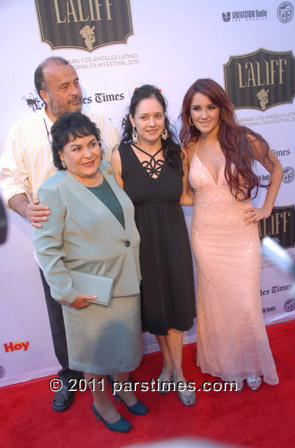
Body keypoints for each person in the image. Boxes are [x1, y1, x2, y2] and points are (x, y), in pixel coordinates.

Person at [0, 56, 120, 411]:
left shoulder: (99, 122)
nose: (75, 91)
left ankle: (113, 370)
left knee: (107, 308)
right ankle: (70, 374)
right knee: (61, 314)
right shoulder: (22, 132)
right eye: (64, 86)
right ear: (43, 94)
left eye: (76, 82)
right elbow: (9, 181)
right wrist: (25, 207)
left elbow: (117, 169)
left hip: (102, 244)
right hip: (55, 247)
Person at [34, 112, 146, 432]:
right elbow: (46, 248)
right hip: (89, 288)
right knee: (95, 357)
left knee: (125, 346)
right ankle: (101, 404)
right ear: (60, 155)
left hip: (125, 279)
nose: (87, 154)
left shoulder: (108, 173)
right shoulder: (53, 189)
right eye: (76, 148)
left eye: (92, 144)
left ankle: (123, 390)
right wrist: (66, 293)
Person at [179, 78, 282, 391]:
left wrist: (265, 208)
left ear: (221, 108)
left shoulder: (243, 138)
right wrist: (213, 199)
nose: (204, 114)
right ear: (189, 114)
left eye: (210, 106)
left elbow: (275, 167)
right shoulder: (188, 149)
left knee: (245, 302)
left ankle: (250, 363)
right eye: (197, 108)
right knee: (217, 304)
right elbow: (184, 196)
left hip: (241, 234)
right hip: (206, 237)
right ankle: (227, 366)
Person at [111, 85, 196, 406]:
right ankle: (169, 366)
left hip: (174, 238)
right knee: (158, 308)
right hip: (141, 245)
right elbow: (116, 208)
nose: (151, 122)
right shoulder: (119, 158)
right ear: (132, 119)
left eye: (157, 115)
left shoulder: (180, 154)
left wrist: (220, 199)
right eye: (144, 116)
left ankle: (177, 372)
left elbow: (186, 196)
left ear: (165, 118)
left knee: (176, 306)